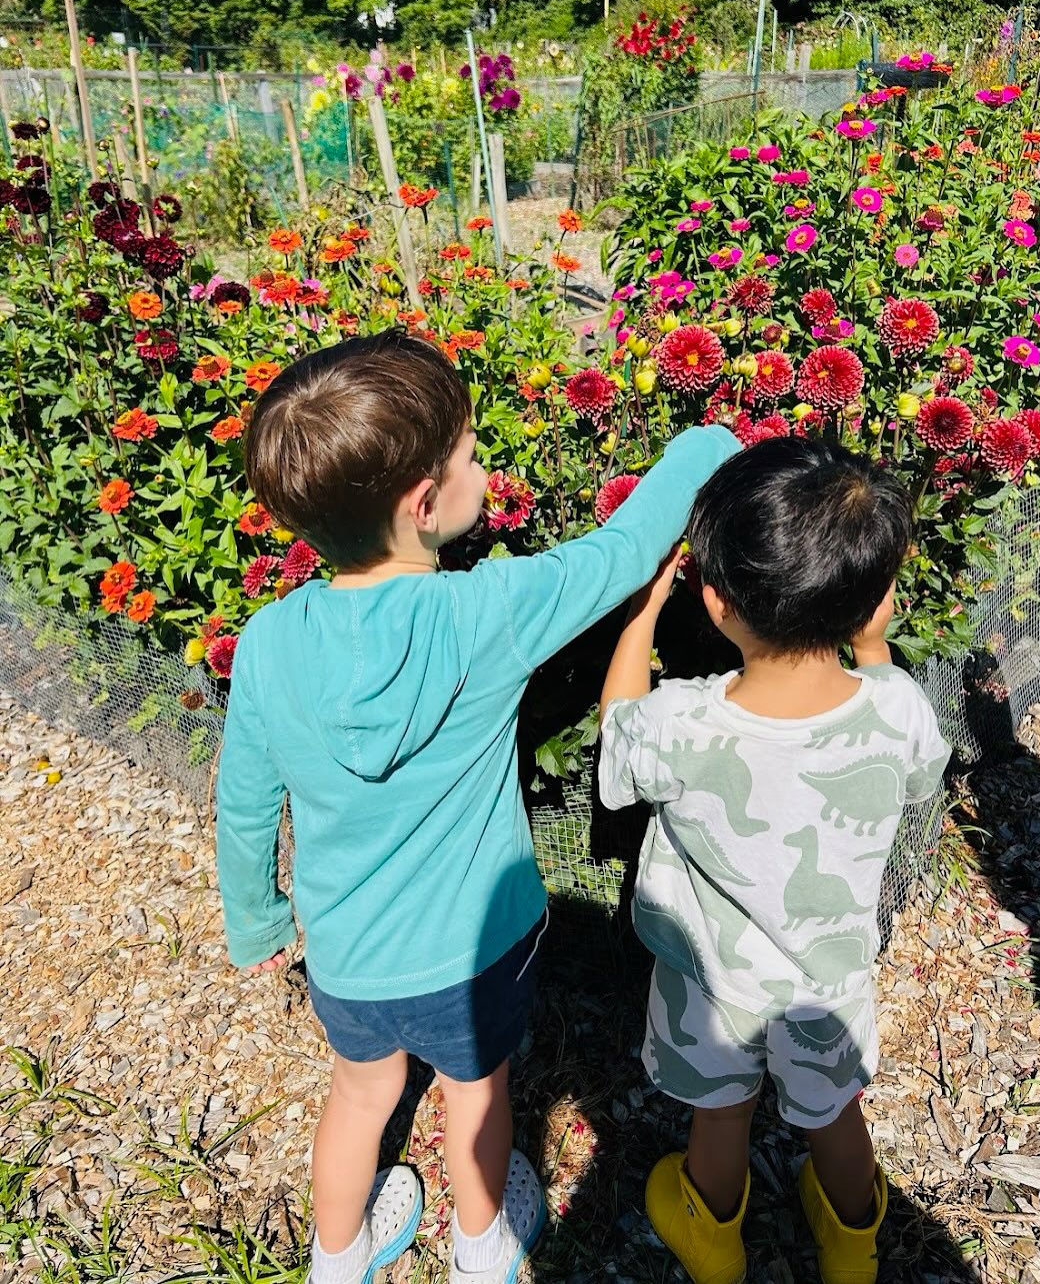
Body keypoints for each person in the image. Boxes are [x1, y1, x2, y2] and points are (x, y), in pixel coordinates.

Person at [215, 328, 740, 1284]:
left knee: (361, 1094)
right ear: (425, 504)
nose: (480, 465)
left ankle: (336, 1257)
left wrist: (255, 917)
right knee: (477, 1094)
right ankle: (481, 1239)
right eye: (469, 455)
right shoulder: (483, 612)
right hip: (472, 952)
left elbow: (245, 801)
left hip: (345, 950)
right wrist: (705, 446)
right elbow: (621, 551)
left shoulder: (265, 643)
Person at [598, 436, 951, 1284]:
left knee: (720, 1112)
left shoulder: (682, 723)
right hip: (829, 986)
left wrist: (640, 615)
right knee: (836, 1114)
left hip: (713, 987)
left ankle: (712, 1240)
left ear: (716, 604)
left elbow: (616, 745)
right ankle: (853, 1244)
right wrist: (874, 652)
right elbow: (922, 771)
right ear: (874, 600)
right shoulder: (896, 707)